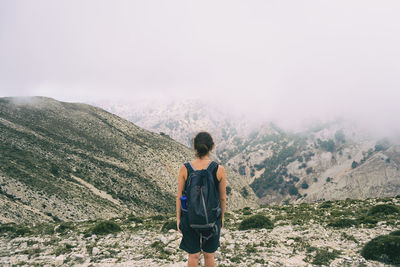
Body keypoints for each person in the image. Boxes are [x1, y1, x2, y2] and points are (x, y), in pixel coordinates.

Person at [176, 131, 227, 267]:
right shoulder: (219, 169)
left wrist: (179, 219)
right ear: (212, 147)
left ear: (195, 147)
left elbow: (180, 196)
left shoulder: (184, 169)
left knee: (193, 255)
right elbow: (222, 198)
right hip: (211, 219)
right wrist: (221, 218)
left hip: (190, 218)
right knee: (209, 255)